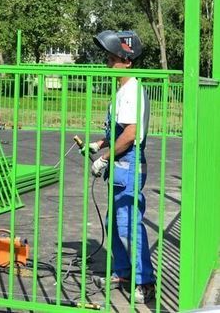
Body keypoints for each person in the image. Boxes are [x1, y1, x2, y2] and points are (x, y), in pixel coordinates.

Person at [83, 30, 155, 304]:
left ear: (127, 61)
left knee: (128, 225)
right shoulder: (122, 91)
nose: (108, 64)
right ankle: (124, 272)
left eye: (112, 59)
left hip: (130, 162)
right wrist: (99, 144)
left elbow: (130, 134)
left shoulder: (132, 90)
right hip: (121, 161)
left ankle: (145, 280)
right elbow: (117, 132)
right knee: (115, 223)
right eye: (108, 59)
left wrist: (104, 158)